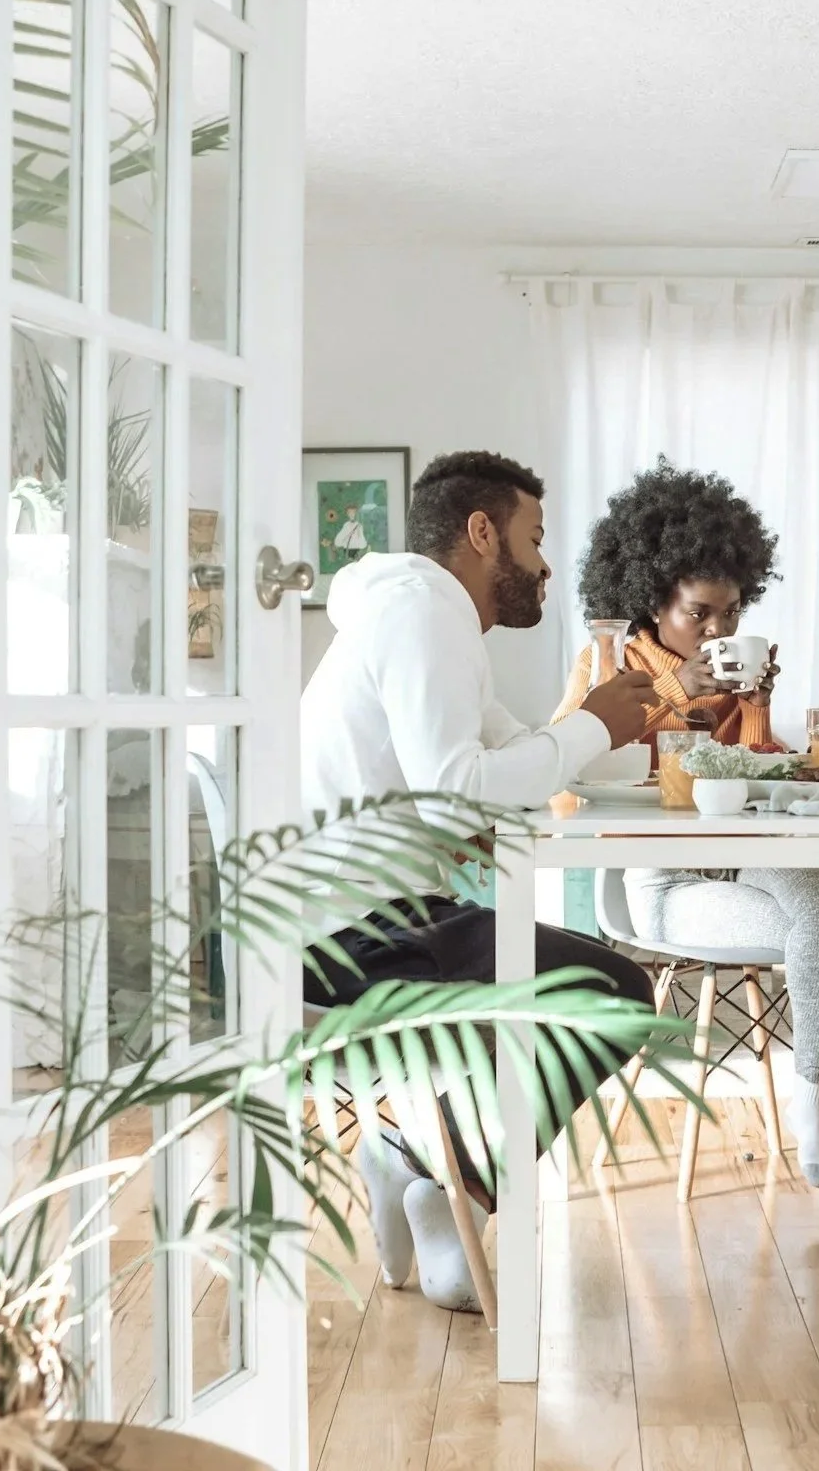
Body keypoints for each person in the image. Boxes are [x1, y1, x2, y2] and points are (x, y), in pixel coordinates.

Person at [302, 449, 661, 1312]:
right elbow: (461, 788)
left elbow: (496, 756)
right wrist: (589, 726)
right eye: (534, 539)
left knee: (593, 981)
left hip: (372, 912)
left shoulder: (421, 616)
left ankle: (421, 1165)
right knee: (615, 992)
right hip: (341, 938)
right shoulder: (424, 615)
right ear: (481, 532)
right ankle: (437, 1180)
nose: (543, 565)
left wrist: (583, 732)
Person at [553, 461, 819, 1190]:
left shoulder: (735, 671)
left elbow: (746, 780)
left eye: (730, 613)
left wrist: (758, 706)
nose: (716, 630)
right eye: (697, 613)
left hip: (742, 856)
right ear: (651, 598)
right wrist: (674, 689)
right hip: (662, 879)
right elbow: (565, 780)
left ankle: (815, 1107)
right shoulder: (607, 663)